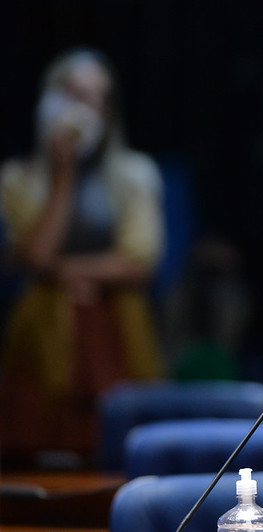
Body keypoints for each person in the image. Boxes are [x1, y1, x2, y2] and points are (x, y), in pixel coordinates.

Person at [0, 48, 165, 465]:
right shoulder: (17, 178)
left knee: (118, 450)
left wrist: (63, 270)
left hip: (115, 332)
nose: (85, 107)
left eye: (97, 96)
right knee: (35, 450)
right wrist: (63, 175)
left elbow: (138, 262)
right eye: (74, 93)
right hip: (44, 333)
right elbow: (32, 254)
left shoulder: (135, 175)